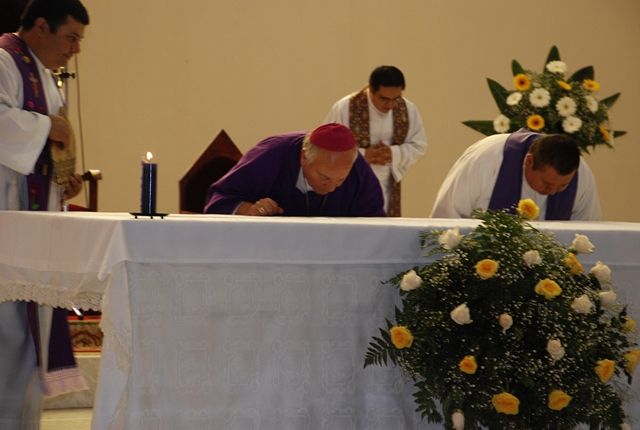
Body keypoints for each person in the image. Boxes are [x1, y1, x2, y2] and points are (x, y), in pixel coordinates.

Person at [0, 0, 89, 427]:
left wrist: (62, 183)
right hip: (6, 221)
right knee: (8, 332)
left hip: (29, 226)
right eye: (70, 37)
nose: (76, 49)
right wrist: (47, 126)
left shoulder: (43, 77)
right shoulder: (4, 60)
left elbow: (44, 158)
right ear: (40, 26)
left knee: (24, 337)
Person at [204, 123, 385, 217]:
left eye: (340, 181)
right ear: (304, 157)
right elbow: (219, 199)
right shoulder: (272, 154)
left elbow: (374, 224)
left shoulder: (358, 169)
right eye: (324, 177)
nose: (331, 188)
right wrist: (250, 210)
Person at [430, 129, 601, 220]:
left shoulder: (581, 174)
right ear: (529, 161)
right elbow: (448, 216)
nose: (553, 191)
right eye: (547, 184)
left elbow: (587, 231)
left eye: (563, 186)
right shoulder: (486, 158)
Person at [325, 65, 427, 216]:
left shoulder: (407, 109)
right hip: (352, 182)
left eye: (395, 99)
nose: (390, 105)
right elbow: (327, 145)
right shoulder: (345, 107)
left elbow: (419, 144)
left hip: (388, 184)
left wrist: (393, 153)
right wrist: (363, 156)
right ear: (371, 89)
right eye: (384, 99)